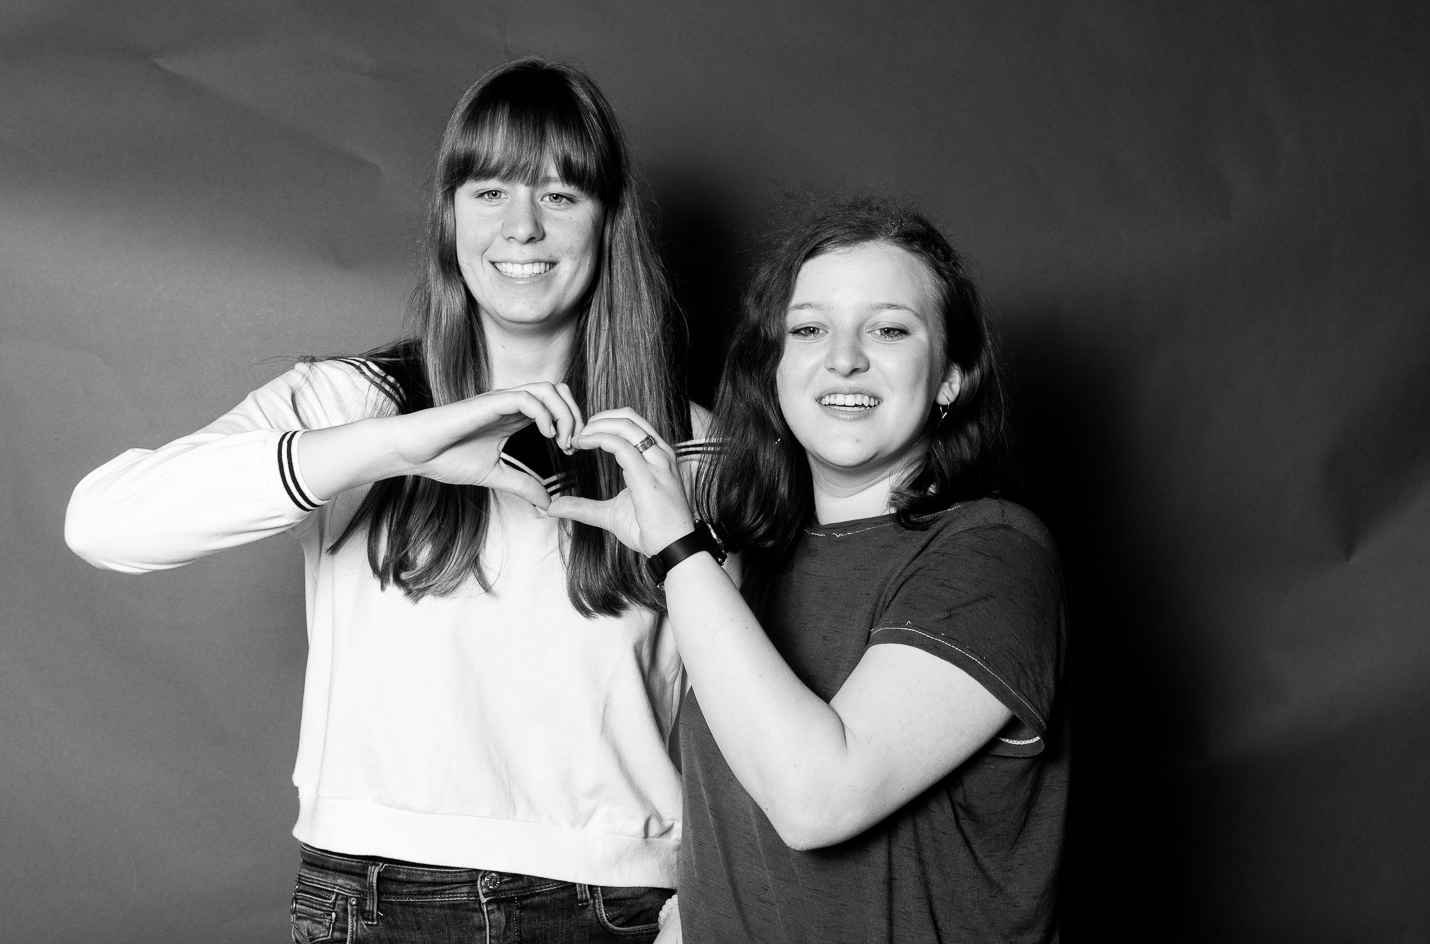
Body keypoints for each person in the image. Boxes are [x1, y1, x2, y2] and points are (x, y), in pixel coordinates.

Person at [65, 58, 704, 943]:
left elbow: (749, 724)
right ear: (449, 217)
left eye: (560, 195)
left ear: (608, 222)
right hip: (372, 899)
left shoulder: (686, 449)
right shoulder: (349, 404)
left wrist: (692, 922)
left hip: (613, 907)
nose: (521, 226)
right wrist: (402, 442)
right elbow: (104, 524)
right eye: (489, 192)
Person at [550, 194, 1067, 943]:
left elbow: (814, 800)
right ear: (776, 369)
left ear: (951, 377)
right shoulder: (754, 563)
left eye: (889, 329)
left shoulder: (994, 552)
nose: (844, 357)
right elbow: (733, 831)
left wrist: (676, 548)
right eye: (810, 329)